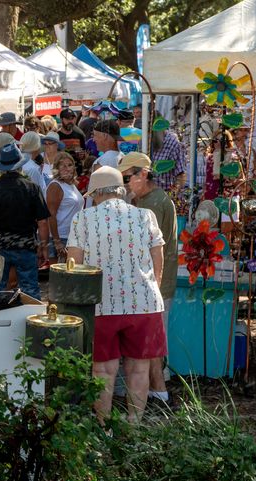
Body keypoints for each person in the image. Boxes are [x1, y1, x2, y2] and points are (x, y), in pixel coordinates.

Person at [67, 166, 166, 423]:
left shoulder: (84, 218)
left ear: (95, 194)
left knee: (103, 369)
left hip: (101, 302)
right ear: (121, 192)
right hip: (143, 302)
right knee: (139, 367)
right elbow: (158, 256)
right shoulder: (146, 215)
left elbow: (74, 264)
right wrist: (152, 286)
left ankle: (104, 426)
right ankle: (134, 424)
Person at [119, 152, 178, 410]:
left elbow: (141, 249)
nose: (124, 183)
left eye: (127, 177)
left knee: (150, 343)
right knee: (150, 342)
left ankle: (160, 394)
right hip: (154, 281)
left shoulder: (151, 205)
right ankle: (158, 393)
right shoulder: (148, 199)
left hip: (153, 282)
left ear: (143, 174)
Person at [0, 143, 49, 299]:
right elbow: (42, 222)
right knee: (30, 290)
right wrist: (44, 246)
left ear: (1, 167)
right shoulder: (32, 188)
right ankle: (31, 321)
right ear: (20, 165)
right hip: (26, 246)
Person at [46, 152, 81, 263]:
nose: (67, 169)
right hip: (60, 237)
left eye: (70, 165)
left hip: (72, 236)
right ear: (57, 168)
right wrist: (57, 241)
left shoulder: (71, 185)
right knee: (59, 277)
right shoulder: (55, 185)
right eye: (63, 165)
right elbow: (51, 215)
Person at [151, 124, 187, 192]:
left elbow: (180, 175)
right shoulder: (143, 141)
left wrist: (173, 194)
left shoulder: (173, 143)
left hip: (163, 195)